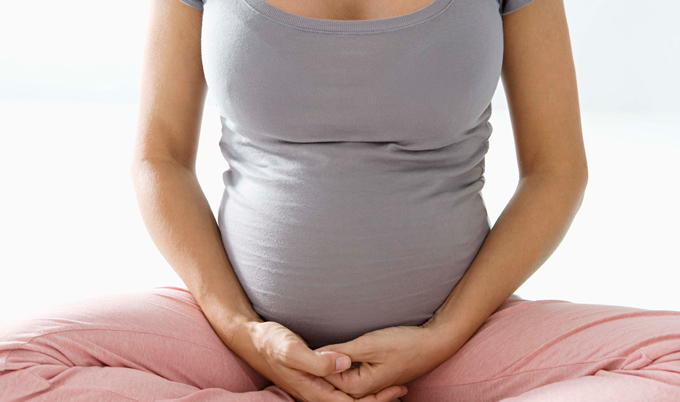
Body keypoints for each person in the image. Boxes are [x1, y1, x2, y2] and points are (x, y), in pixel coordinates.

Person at [1, 0, 679, 400]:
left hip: (458, 345)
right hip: (235, 341)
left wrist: (442, 336)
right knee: (12, 365)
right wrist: (244, 331)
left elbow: (557, 169)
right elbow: (160, 157)